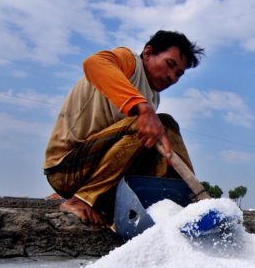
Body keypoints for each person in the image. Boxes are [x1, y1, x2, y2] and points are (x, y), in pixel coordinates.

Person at [43, 30, 205, 227]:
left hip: (103, 177)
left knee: (162, 133)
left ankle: (189, 202)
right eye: (169, 64)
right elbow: (93, 63)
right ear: (148, 53)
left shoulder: (153, 97)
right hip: (66, 170)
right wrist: (143, 109)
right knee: (155, 124)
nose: (172, 76)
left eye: (179, 74)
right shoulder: (130, 63)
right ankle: (81, 199)